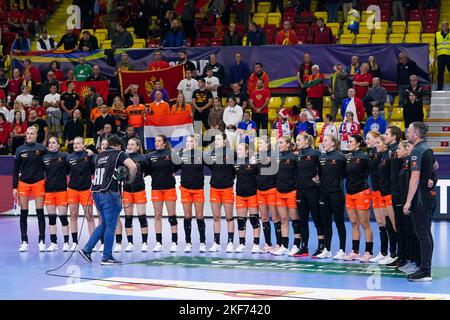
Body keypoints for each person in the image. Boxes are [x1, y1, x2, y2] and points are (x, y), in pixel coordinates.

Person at [79, 135, 137, 265]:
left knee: (104, 223)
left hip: (96, 193)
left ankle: (87, 249)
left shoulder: (99, 155)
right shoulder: (119, 153)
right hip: (109, 193)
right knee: (111, 225)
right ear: (118, 146)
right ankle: (107, 257)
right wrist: (129, 180)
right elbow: (133, 167)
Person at [403, 122, 437, 281]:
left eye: (409, 131)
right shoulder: (427, 148)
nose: (407, 133)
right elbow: (435, 165)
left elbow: (414, 178)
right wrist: (429, 179)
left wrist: (408, 201)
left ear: (416, 134)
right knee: (426, 233)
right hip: (429, 196)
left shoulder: (417, 150)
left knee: (422, 234)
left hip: (421, 199)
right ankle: (426, 268)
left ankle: (425, 271)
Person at [13, 126, 47, 252]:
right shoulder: (19, 150)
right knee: (24, 214)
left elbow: (48, 165)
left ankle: (42, 241)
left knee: (40, 213)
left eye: (32, 134)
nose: (29, 135)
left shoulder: (42, 148)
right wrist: (14, 187)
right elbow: (15, 170)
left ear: (36, 135)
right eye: (27, 134)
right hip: (23, 184)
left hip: (38, 182)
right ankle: (24, 242)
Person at [315, 134, 347, 259]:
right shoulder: (321, 157)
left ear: (333, 143)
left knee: (339, 222)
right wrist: (318, 181)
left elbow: (345, 173)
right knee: (326, 222)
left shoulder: (340, 157)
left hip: (336, 194)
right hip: (323, 193)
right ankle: (327, 249)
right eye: (323, 140)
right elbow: (320, 175)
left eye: (326, 140)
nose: (323, 142)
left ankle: (342, 250)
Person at [343, 134, 374, 262]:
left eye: (351, 141)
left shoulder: (365, 157)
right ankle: (355, 251)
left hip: (361, 192)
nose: (348, 143)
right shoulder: (348, 157)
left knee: (364, 223)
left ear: (358, 143)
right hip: (349, 194)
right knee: (354, 223)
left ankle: (368, 252)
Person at [146, 135, 179, 252]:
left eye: (159, 141)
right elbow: (147, 170)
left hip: (169, 188)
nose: (156, 143)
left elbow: (178, 165)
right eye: (155, 141)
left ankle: (174, 242)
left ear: (164, 143)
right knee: (157, 215)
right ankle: (158, 242)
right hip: (156, 189)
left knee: (172, 216)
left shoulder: (171, 154)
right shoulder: (150, 156)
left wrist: (172, 172)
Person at [204, 133, 236, 252]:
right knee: (216, 217)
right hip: (214, 189)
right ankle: (216, 243)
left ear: (224, 141)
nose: (216, 141)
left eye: (218, 139)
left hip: (227, 188)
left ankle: (230, 242)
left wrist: (230, 177)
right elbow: (211, 167)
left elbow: (235, 169)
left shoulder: (232, 153)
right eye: (215, 139)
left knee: (229, 217)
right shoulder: (210, 154)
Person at [174, 135, 207, 252]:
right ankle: (188, 242)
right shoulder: (182, 155)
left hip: (198, 190)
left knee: (199, 216)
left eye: (191, 141)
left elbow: (214, 167)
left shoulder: (202, 155)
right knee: (187, 216)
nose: (189, 143)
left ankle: (203, 242)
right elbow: (173, 168)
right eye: (187, 141)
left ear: (196, 143)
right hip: (185, 189)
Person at [295, 133, 324, 257]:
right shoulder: (297, 156)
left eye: (299, 140)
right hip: (300, 191)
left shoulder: (316, 154)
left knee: (317, 219)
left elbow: (324, 170)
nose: (296, 142)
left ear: (307, 141)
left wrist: (319, 179)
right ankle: (304, 247)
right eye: (296, 140)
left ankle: (321, 246)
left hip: (313, 191)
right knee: (302, 220)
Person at [67, 137, 96, 252]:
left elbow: (94, 169)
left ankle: (92, 243)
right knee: (73, 216)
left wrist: (92, 155)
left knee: (89, 217)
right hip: (73, 190)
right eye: (74, 143)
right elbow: (66, 171)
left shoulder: (89, 156)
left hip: (85, 190)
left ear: (84, 145)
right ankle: (74, 242)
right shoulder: (69, 157)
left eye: (78, 143)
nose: (76, 145)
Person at [271, 136, 299, 256]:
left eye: (281, 142)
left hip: (292, 192)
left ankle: (297, 245)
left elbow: (298, 175)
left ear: (288, 144)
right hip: (279, 192)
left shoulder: (294, 157)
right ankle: (284, 245)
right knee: (283, 219)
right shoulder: (276, 157)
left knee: (295, 220)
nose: (279, 144)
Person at [234, 142, 263, 253]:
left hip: (252, 195)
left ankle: (256, 244)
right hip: (240, 195)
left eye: (241, 149)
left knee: (254, 219)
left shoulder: (253, 163)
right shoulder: (235, 163)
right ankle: (242, 244)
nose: (238, 151)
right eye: (238, 149)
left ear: (246, 151)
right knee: (241, 221)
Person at [122, 138, 149, 252]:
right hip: (127, 190)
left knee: (142, 217)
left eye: (132, 144)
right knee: (128, 218)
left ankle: (144, 243)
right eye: (128, 144)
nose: (129, 146)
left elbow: (147, 170)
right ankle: (130, 243)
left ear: (138, 147)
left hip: (139, 190)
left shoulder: (143, 158)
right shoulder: (123, 157)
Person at [365, 131, 389, 263]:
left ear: (376, 140)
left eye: (368, 139)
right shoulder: (370, 154)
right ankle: (383, 252)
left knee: (387, 224)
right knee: (380, 223)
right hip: (375, 192)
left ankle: (392, 253)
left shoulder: (381, 154)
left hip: (383, 192)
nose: (366, 141)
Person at [42, 137, 70, 252]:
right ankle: (53, 243)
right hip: (49, 191)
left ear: (58, 145)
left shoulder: (64, 156)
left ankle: (66, 243)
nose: (51, 144)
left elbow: (68, 170)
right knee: (52, 218)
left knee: (63, 218)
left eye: (54, 142)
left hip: (62, 191)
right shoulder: (44, 158)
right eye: (50, 143)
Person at [375, 134, 398, 265]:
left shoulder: (390, 156)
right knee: (388, 225)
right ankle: (391, 252)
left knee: (394, 225)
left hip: (390, 194)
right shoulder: (382, 157)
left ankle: (397, 254)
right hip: (383, 194)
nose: (376, 145)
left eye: (379, 142)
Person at [256, 136, 281, 253]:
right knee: (264, 217)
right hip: (260, 191)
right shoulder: (256, 157)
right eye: (258, 144)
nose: (259, 146)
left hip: (272, 190)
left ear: (267, 145)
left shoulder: (273, 156)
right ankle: (268, 243)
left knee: (275, 217)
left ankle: (279, 244)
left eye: (261, 144)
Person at [435, 21, 450, 91]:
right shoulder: (437, 34)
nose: (442, 27)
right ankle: (439, 88)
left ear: (447, 26)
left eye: (444, 25)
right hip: (440, 57)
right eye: (442, 25)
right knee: (440, 73)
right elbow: (435, 45)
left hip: (449, 56)